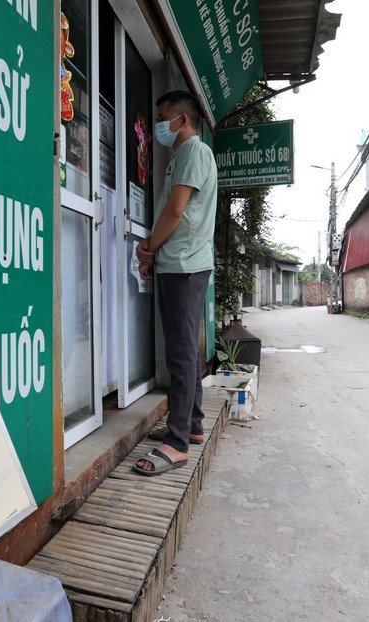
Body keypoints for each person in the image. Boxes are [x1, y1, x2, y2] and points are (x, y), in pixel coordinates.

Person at [132, 90, 217, 476]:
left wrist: (149, 246)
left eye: (164, 118)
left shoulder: (195, 152)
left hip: (184, 266)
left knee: (180, 354)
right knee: (184, 349)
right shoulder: (179, 156)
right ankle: (193, 425)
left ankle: (177, 443)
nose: (160, 127)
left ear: (182, 120)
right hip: (176, 263)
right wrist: (155, 255)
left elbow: (177, 209)